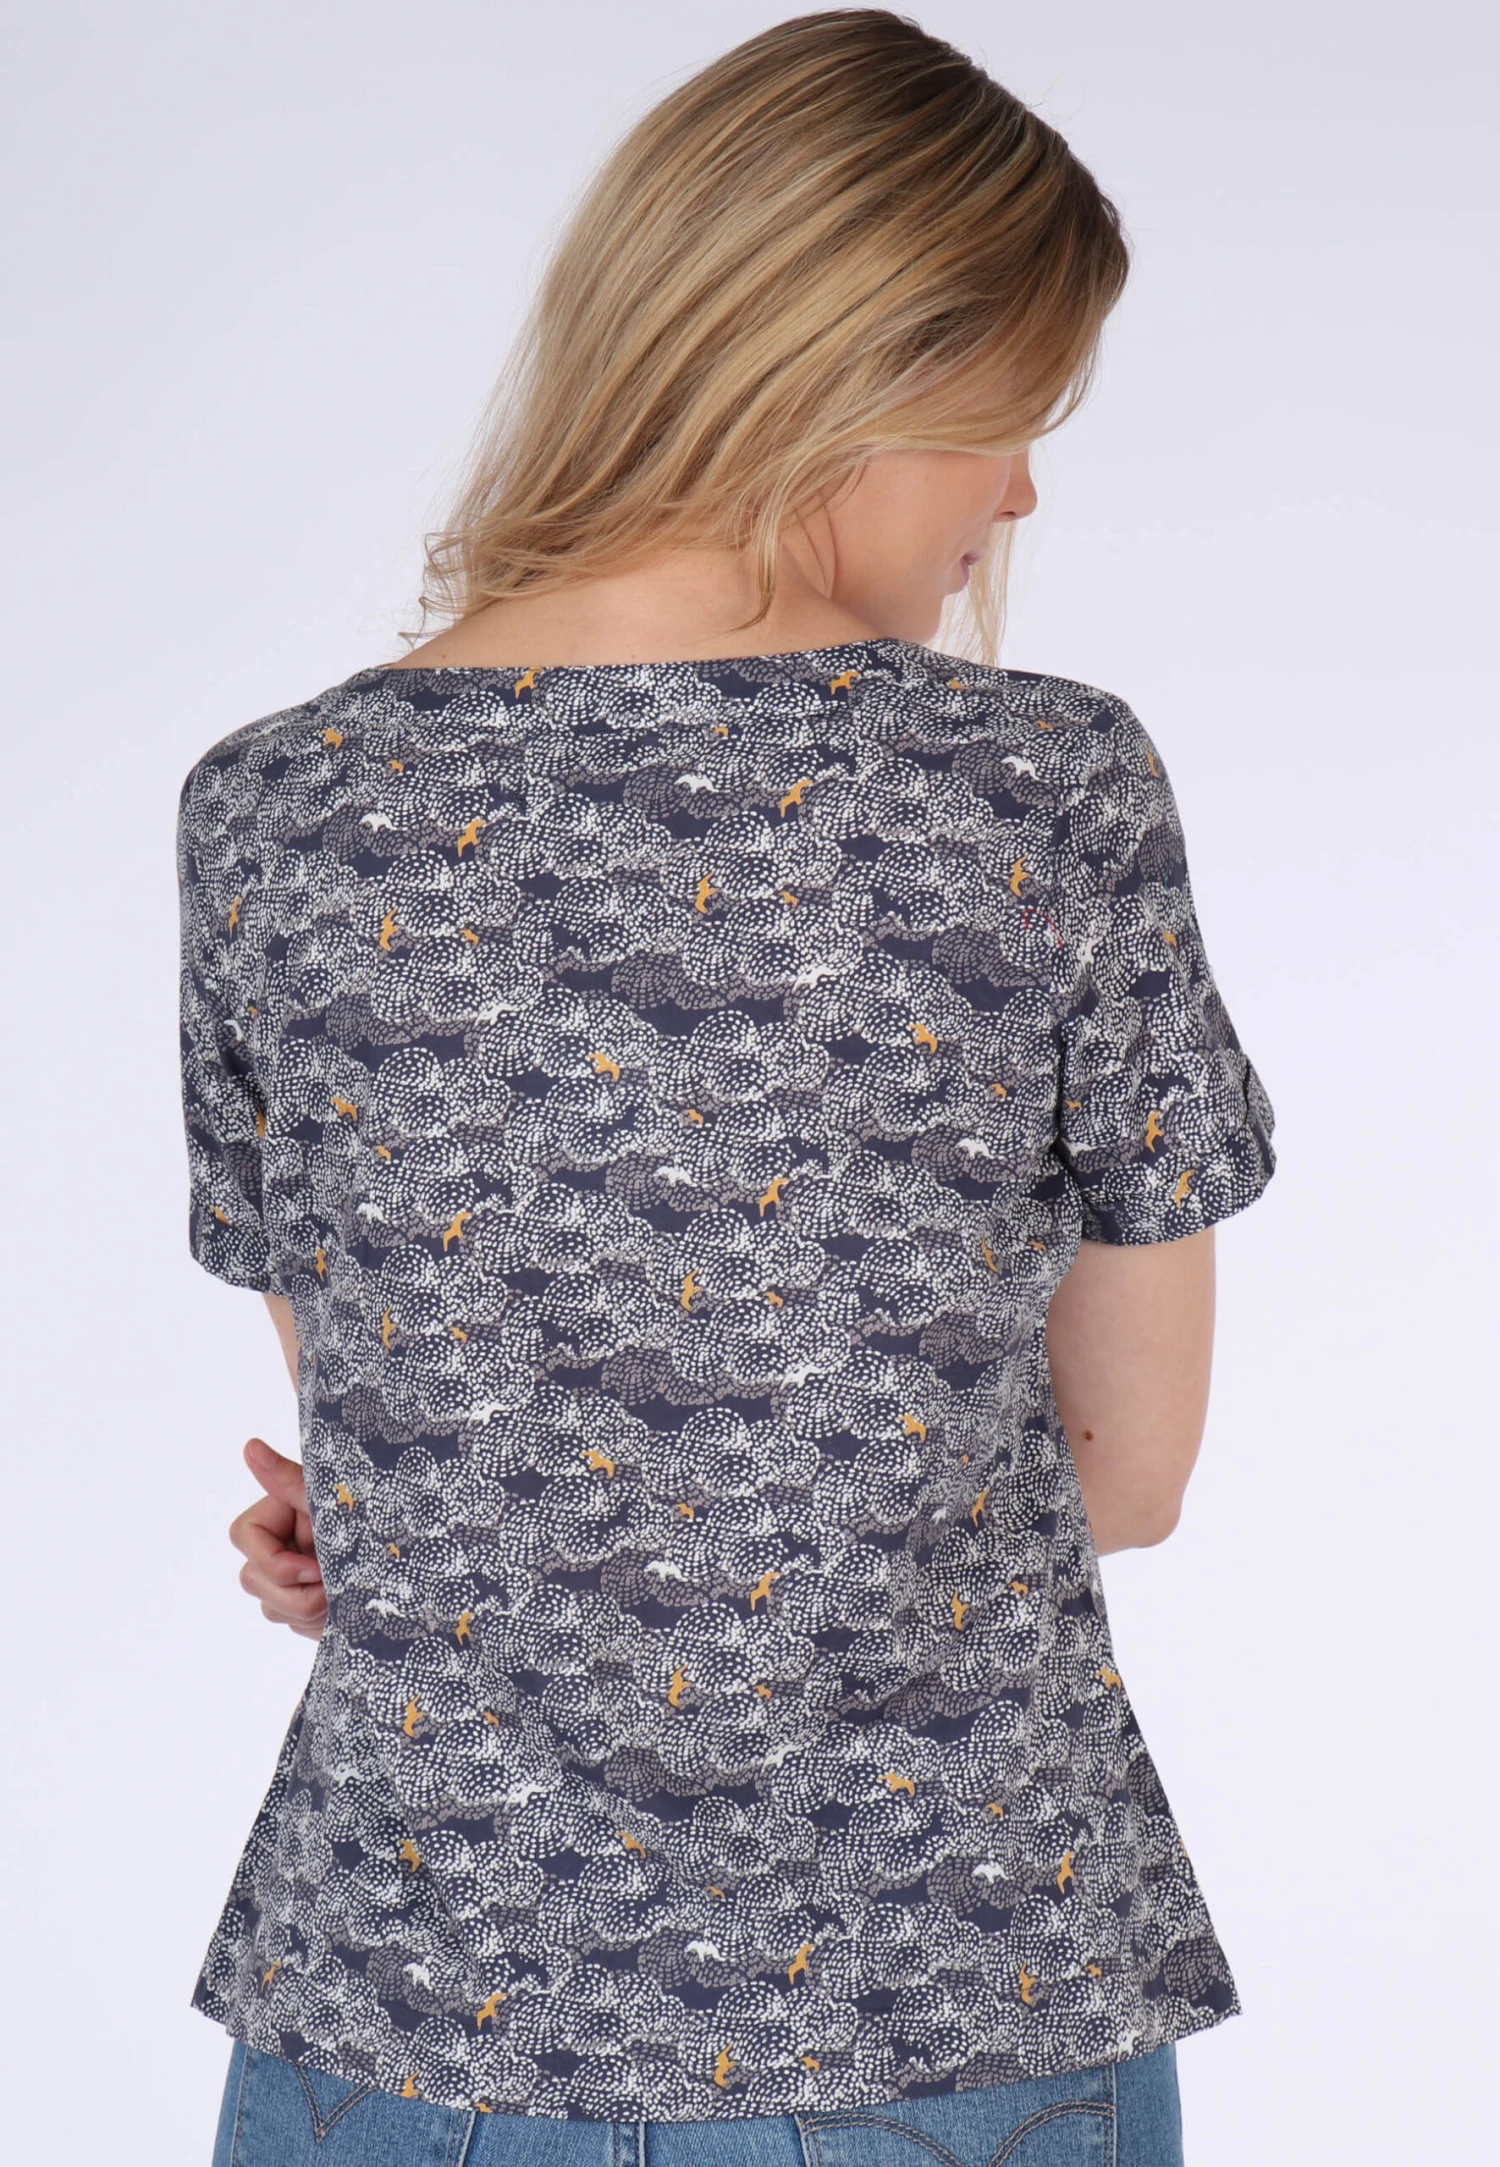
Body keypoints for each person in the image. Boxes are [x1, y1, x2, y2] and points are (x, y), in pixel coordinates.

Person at [179, 13, 1275, 2164]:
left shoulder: (275, 813)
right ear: (848, 371)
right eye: (1009, 419)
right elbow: (1128, 1475)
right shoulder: (1038, 788)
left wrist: (432, 1537)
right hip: (942, 1990)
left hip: (409, 1993)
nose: (1022, 493)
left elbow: (392, 1447)